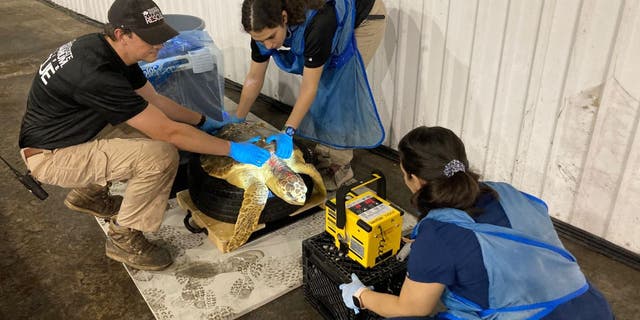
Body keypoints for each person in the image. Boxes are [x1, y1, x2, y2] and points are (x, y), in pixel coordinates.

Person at [18, 0, 270, 271]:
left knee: (150, 127)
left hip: (69, 134)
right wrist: (232, 149)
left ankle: (89, 195)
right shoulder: (96, 74)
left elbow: (156, 101)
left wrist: (203, 120)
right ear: (121, 34)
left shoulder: (106, 50)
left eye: (160, 36)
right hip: (50, 157)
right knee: (160, 155)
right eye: (151, 39)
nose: (159, 45)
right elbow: (169, 131)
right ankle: (123, 238)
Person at [339, 126, 615, 319]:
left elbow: (412, 309)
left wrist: (361, 296)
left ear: (414, 179)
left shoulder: (439, 237)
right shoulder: (504, 191)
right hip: (590, 306)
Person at [234, 0, 388, 191]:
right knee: (325, 86)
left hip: (364, 17)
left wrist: (288, 131)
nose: (268, 45)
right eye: (260, 40)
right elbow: (254, 78)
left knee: (337, 90)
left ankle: (339, 166)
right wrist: (236, 120)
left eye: (271, 37)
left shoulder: (319, 22)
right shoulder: (261, 25)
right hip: (323, 19)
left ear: (284, 17)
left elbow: (309, 87)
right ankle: (325, 152)